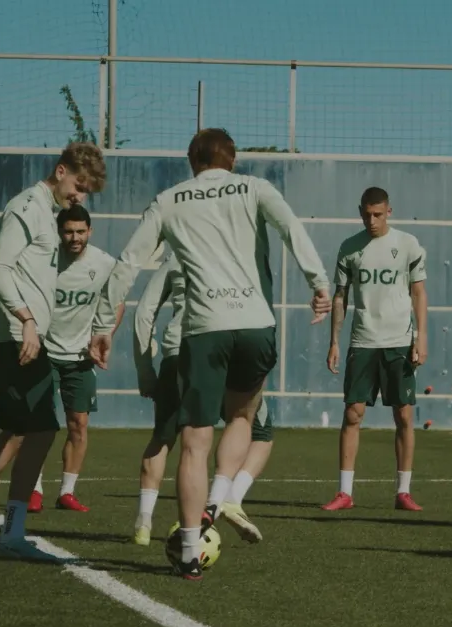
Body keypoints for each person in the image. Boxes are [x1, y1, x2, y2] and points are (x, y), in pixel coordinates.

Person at [94, 128, 330, 579]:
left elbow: (128, 263)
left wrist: (104, 324)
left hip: (204, 329)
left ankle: (188, 551)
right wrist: (318, 284)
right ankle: (218, 501)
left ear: (191, 160)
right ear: (233, 159)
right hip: (256, 323)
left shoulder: (169, 200)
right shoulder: (256, 188)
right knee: (243, 417)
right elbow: (292, 230)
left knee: (194, 443)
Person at [0, 142, 107, 560]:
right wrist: (27, 321)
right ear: (60, 170)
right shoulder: (27, 207)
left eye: (86, 192)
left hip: (23, 337)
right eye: (79, 186)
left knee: (17, 431)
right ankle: (13, 532)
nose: (79, 197)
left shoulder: (46, 214)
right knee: (42, 429)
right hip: (20, 337)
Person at [131, 254, 274, 546]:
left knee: (164, 438)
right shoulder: (234, 251)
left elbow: (145, 311)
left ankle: (143, 523)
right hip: (218, 355)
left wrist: (144, 369)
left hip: (176, 351)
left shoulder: (175, 258)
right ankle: (227, 500)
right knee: (257, 430)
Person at [321, 187, 427, 512]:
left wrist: (421, 337)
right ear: (360, 211)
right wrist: (335, 341)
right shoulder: (349, 248)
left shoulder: (408, 245)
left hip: (398, 342)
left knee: (404, 415)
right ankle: (345, 493)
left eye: (378, 214)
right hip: (363, 342)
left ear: (389, 212)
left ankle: (403, 492)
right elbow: (340, 297)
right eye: (367, 214)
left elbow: (419, 293)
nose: (372, 220)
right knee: (353, 414)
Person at [24, 204, 122, 513]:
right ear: (59, 232)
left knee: (78, 424)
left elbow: (116, 302)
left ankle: (67, 492)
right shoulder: (44, 261)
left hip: (81, 356)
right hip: (45, 353)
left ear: (90, 231)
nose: (74, 237)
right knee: (40, 425)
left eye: (81, 231)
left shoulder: (104, 263)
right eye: (68, 231)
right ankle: (33, 489)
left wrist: (104, 333)